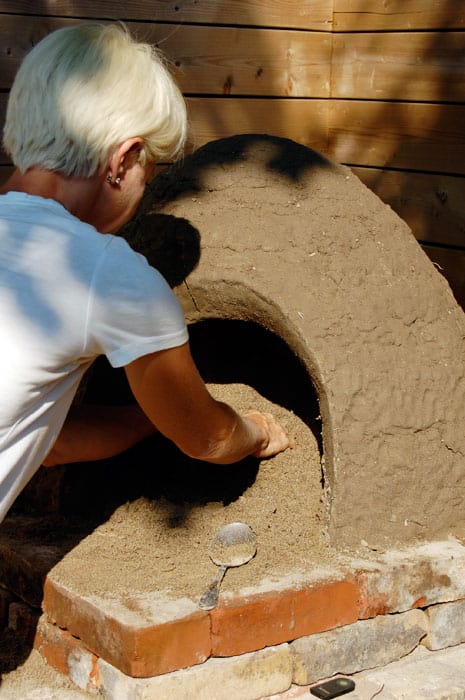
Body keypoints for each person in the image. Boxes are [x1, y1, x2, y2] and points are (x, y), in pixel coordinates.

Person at [0, 23, 290, 522]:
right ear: (124, 158)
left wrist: (149, 420)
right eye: (148, 172)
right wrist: (257, 430)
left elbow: (49, 442)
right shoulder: (104, 271)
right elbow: (207, 437)